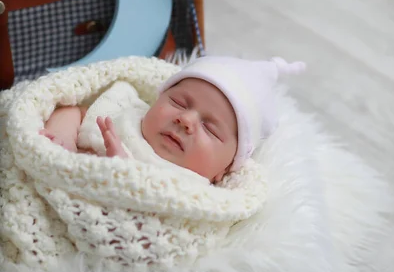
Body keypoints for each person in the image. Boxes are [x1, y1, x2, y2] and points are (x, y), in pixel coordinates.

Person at [39, 56, 305, 183]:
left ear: (223, 170)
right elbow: (72, 109)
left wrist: (125, 175)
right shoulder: (125, 111)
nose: (186, 120)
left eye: (210, 129)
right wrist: (63, 141)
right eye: (178, 103)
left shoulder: (194, 189)